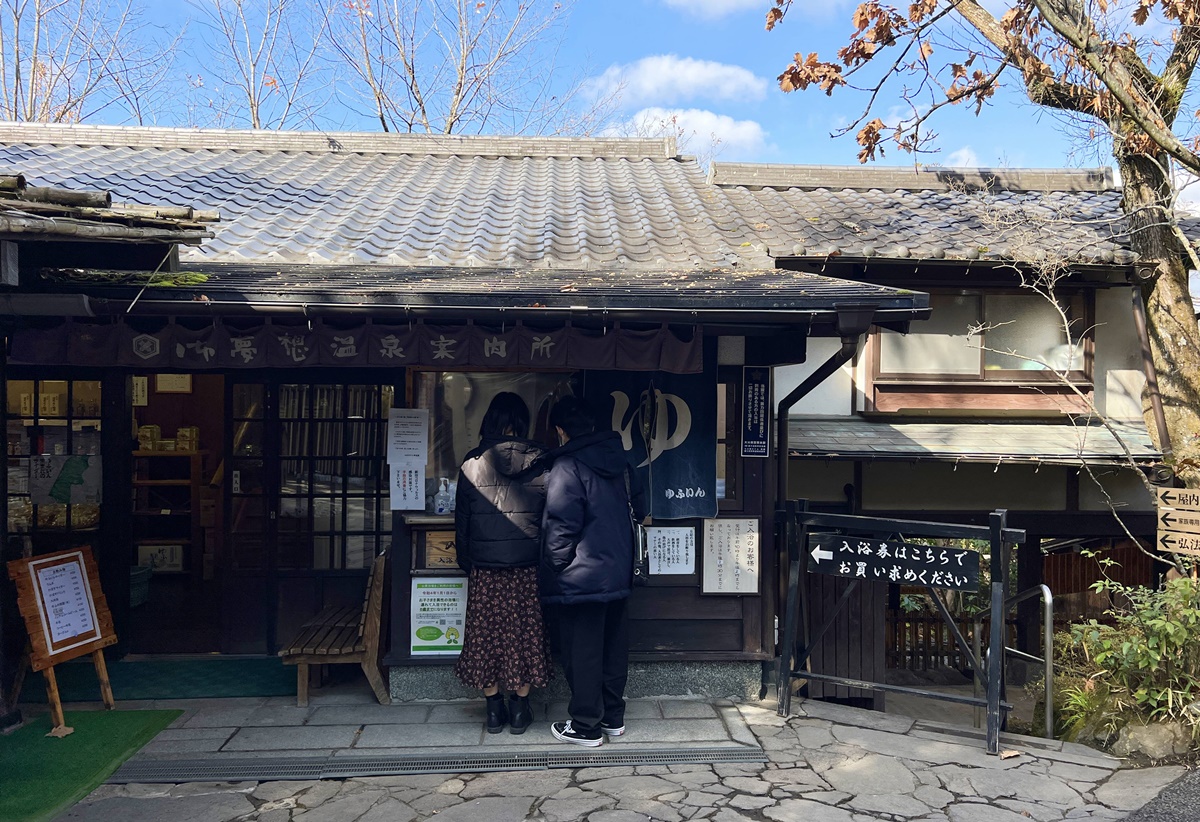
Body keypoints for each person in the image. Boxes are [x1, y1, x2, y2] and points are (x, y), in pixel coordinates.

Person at [539, 395, 647, 747]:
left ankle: (586, 725)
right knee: (613, 647)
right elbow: (641, 508)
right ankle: (613, 717)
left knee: (582, 650)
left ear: (560, 431)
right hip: (618, 572)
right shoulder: (622, 461)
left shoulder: (567, 466)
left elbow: (560, 523)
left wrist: (555, 566)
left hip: (580, 576)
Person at [453, 392, 552, 734]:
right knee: (524, 634)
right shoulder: (541, 460)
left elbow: (462, 523)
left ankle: (494, 710)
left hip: (485, 568)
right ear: (522, 424)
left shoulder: (472, 461)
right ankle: (521, 709)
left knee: (485, 637)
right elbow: (550, 518)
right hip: (527, 567)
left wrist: (469, 562)